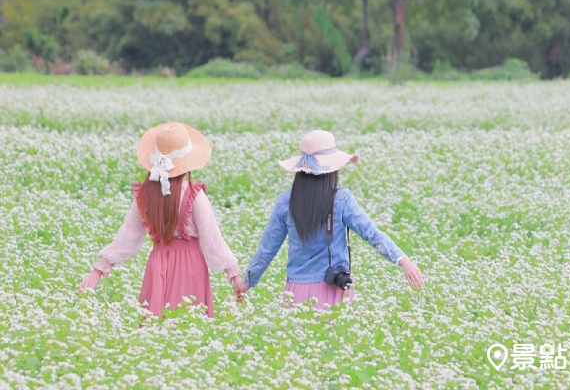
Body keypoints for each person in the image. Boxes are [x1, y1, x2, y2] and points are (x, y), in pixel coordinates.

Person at [235, 130, 424, 310]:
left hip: (296, 290)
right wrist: (402, 260)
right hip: (333, 287)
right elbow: (370, 233)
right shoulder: (341, 199)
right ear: (333, 169)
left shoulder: (286, 201)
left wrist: (247, 282)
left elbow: (267, 248)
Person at [78, 122, 243, 318]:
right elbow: (212, 240)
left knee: (156, 324)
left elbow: (127, 236)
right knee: (188, 325)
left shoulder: (146, 195)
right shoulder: (194, 196)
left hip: (158, 264)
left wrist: (99, 269)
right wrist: (235, 276)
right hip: (191, 267)